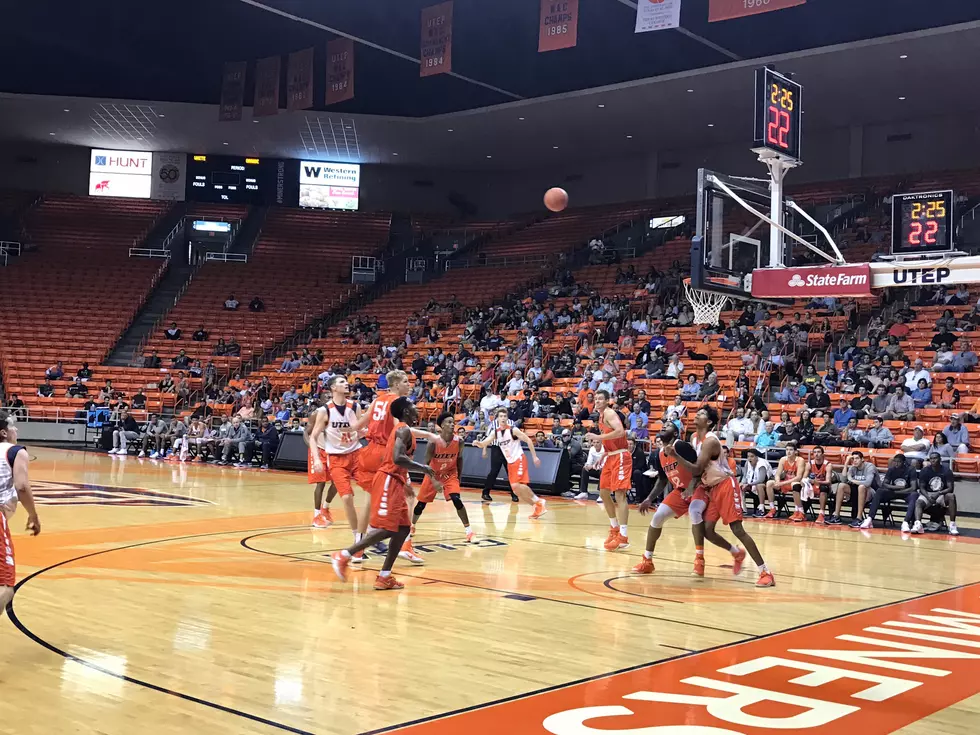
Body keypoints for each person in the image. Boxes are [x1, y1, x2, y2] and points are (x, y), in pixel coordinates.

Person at [331, 399, 442, 590]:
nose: (417, 409)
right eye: (414, 406)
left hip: (396, 480)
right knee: (388, 528)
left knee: (403, 528)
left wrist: (405, 482)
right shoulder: (402, 429)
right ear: (406, 411)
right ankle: (344, 555)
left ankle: (384, 576)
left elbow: (400, 459)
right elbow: (398, 458)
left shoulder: (404, 428)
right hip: (388, 479)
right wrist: (423, 468)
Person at [665, 406, 774, 587]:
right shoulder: (695, 439)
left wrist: (675, 455)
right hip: (711, 488)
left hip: (725, 485)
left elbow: (697, 469)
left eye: (701, 414)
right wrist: (692, 486)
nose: (697, 415)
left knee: (737, 529)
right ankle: (736, 553)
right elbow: (699, 472)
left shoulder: (710, 442)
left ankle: (766, 572)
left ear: (708, 422)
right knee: (707, 531)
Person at [634, 425, 737, 575]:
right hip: (680, 491)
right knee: (657, 517)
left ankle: (699, 560)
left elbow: (699, 468)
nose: (663, 426)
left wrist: (691, 488)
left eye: (668, 426)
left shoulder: (681, 446)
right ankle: (647, 561)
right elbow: (662, 480)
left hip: (699, 487)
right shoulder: (658, 454)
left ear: (675, 433)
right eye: (663, 424)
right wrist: (649, 498)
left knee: (694, 512)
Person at [308, 377, 375, 557]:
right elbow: (313, 437)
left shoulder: (355, 407)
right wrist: (316, 459)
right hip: (336, 459)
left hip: (357, 454)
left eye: (346, 381)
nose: (346, 383)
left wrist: (367, 432)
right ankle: (357, 541)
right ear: (332, 388)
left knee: (374, 490)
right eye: (342, 381)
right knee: (346, 498)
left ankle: (370, 529)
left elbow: (360, 430)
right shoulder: (324, 411)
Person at [0, 412, 41, 614]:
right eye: (13, 426)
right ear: (4, 432)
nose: (16, 430)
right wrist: (33, 515)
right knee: (5, 587)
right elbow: (22, 486)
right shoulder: (16, 451)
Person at [413, 412, 475, 543]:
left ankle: (469, 532)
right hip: (433, 473)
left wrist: (459, 476)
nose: (452, 424)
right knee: (421, 505)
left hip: (450, 473)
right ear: (441, 425)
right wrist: (434, 481)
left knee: (456, 499)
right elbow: (426, 464)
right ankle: (412, 525)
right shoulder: (433, 443)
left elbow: (459, 459)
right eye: (449, 422)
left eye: (453, 422)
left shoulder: (459, 441)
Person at [474, 407, 546, 519]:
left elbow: (528, 440)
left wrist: (534, 457)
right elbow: (485, 443)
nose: (503, 418)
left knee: (518, 485)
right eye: (501, 416)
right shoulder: (495, 432)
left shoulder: (513, 430)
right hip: (510, 462)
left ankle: (538, 501)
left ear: (507, 418)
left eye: (505, 416)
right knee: (516, 490)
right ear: (497, 419)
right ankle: (536, 507)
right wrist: (478, 443)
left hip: (519, 458)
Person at [585, 389, 632, 551]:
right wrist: (603, 454)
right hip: (611, 456)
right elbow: (611, 437)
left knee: (620, 494)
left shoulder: (610, 413)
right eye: (595, 399)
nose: (597, 401)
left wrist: (598, 438)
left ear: (607, 401)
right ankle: (614, 529)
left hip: (620, 456)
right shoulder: (601, 416)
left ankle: (624, 537)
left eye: (600, 399)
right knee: (604, 492)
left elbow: (620, 432)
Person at [906, 451, 958, 535]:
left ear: (940, 459)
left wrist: (938, 493)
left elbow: (950, 488)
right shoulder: (925, 470)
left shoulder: (946, 471)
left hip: (941, 494)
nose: (933, 460)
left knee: (951, 496)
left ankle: (952, 525)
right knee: (919, 502)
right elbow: (922, 488)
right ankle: (918, 524)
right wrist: (928, 496)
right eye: (931, 458)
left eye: (935, 458)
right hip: (928, 494)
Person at [863, 453, 916, 530]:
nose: (896, 463)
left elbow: (913, 487)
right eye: (895, 461)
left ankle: (906, 522)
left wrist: (900, 490)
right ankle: (869, 519)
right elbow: (885, 484)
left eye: (899, 462)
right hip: (894, 491)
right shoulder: (891, 469)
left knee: (914, 495)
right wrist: (896, 487)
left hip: (906, 492)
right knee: (879, 491)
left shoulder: (911, 470)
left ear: (904, 462)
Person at [828, 450, 878, 526]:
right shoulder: (853, 467)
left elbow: (868, 483)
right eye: (853, 459)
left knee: (861, 487)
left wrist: (852, 480)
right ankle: (836, 516)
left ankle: (859, 518)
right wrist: (846, 463)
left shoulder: (870, 467)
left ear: (862, 459)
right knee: (841, 486)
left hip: (871, 491)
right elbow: (843, 480)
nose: (855, 461)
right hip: (857, 490)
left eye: (857, 458)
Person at [762, 442, 807, 521]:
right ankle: (772, 508)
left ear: (796, 452)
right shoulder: (783, 459)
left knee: (794, 484)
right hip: (785, 483)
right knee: (769, 483)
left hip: (797, 483)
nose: (788, 452)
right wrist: (777, 481)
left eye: (791, 450)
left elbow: (798, 477)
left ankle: (800, 511)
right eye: (787, 450)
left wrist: (782, 483)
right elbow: (777, 473)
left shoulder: (800, 460)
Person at [740, 448, 772, 517]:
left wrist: (749, 484)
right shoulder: (747, 463)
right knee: (740, 486)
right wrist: (742, 483)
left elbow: (761, 479)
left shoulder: (762, 464)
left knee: (758, 485)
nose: (749, 458)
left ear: (757, 457)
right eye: (748, 456)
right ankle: (742, 509)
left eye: (752, 456)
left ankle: (761, 509)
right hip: (752, 483)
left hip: (766, 483)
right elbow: (745, 476)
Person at [807, 446, 834, 524]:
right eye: (815, 452)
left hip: (824, 487)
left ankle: (821, 513)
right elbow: (804, 477)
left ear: (822, 454)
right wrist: (806, 481)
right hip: (812, 487)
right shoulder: (809, 464)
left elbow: (828, 481)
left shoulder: (828, 464)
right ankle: (801, 511)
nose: (816, 454)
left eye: (818, 452)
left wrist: (816, 482)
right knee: (802, 486)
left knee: (823, 488)